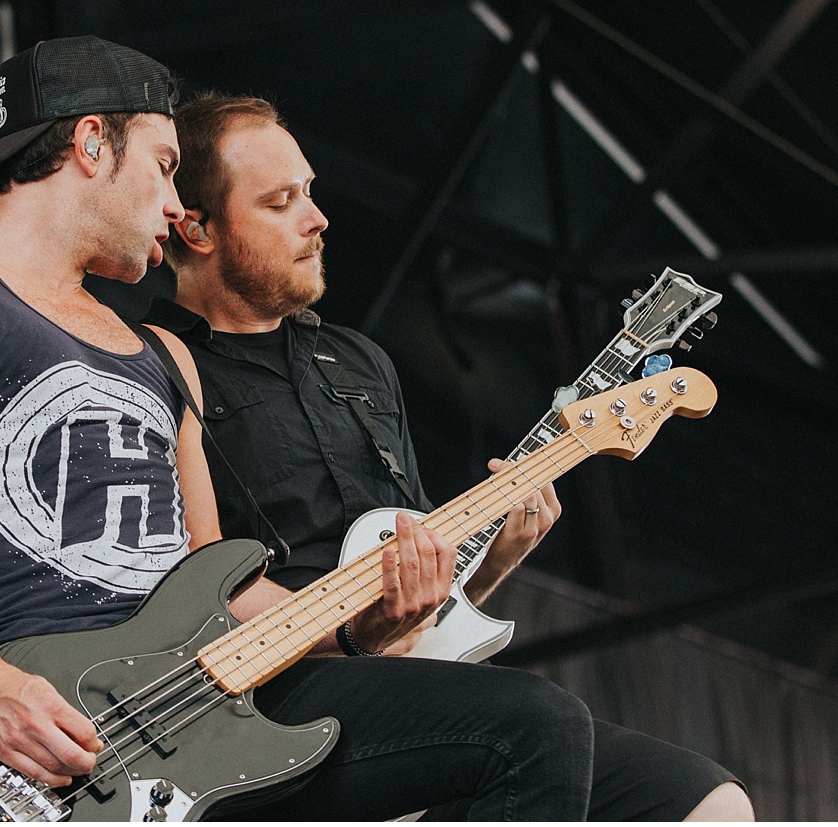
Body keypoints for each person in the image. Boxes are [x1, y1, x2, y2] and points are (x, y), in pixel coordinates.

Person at [0, 37, 606, 823]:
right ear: (91, 143)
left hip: (203, 715)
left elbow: (218, 585)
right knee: (535, 726)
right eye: (166, 164)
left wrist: (356, 629)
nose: (176, 206)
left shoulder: (163, 354)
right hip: (46, 741)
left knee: (532, 729)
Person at [144, 90, 755, 821]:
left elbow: (421, 595)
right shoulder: (154, 365)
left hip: (406, 686)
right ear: (198, 228)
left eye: (311, 191)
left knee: (705, 798)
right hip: (273, 696)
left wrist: (495, 558)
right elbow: (186, 587)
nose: (317, 217)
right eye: (281, 202)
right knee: (541, 720)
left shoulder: (360, 363)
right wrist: (351, 633)